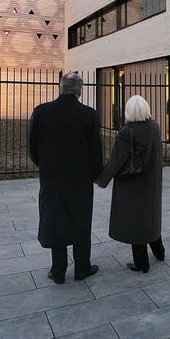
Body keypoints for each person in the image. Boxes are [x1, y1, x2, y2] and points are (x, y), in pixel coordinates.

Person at [28, 72, 102, 284]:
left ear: (61, 88)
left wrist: (44, 165)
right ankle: (82, 267)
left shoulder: (41, 112)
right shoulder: (89, 114)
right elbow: (95, 150)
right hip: (80, 178)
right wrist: (96, 173)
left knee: (55, 219)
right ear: (80, 90)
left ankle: (58, 270)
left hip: (52, 178)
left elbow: (33, 147)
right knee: (81, 220)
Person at [96, 95, 165, 273]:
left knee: (136, 221)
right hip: (151, 183)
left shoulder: (127, 132)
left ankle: (142, 263)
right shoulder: (155, 127)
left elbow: (116, 161)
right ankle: (159, 252)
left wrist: (101, 180)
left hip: (132, 184)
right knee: (150, 217)